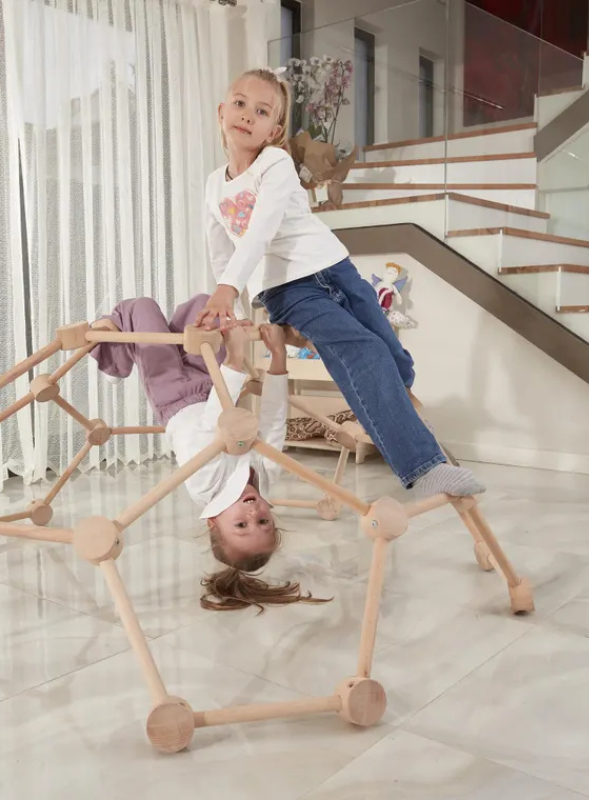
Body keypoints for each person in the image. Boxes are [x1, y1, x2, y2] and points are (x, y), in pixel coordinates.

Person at [196, 68, 485, 499]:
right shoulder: (212, 187)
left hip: (335, 267)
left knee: (394, 358)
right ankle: (424, 467)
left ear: (273, 131)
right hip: (289, 290)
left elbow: (264, 226)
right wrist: (232, 304)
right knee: (363, 353)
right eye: (239, 104)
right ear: (221, 112)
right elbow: (223, 250)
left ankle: (405, 419)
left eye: (262, 111)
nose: (247, 115)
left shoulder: (274, 163)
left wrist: (229, 287)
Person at [89, 294, 326, 611]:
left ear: (213, 522)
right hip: (212, 382)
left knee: (142, 307)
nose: (253, 514)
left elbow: (216, 424)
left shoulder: (205, 487)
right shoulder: (266, 478)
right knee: (208, 306)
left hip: (172, 394)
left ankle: (114, 360)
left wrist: (235, 358)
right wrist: (278, 358)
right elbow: (274, 423)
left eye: (241, 526)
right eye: (264, 522)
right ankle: (166, 334)